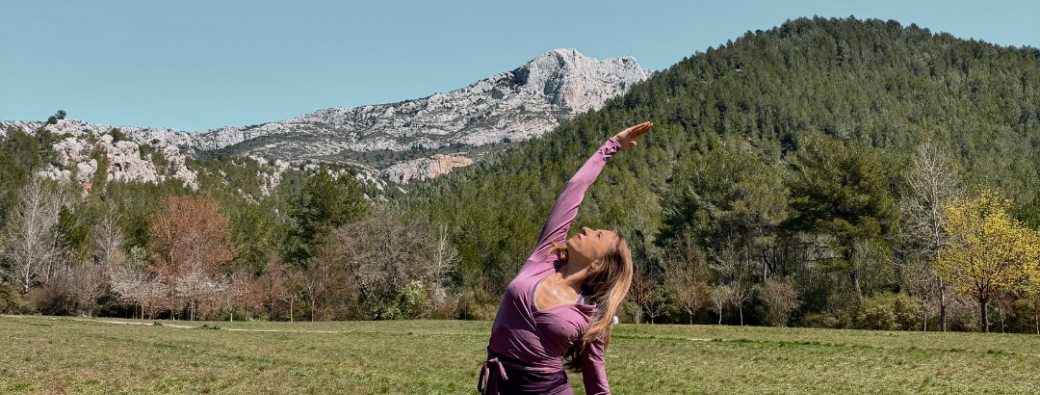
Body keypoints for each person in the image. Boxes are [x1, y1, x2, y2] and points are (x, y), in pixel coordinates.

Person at [478, 121, 652, 395]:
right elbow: (574, 188)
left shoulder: (591, 313)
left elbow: (596, 379)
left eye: (596, 235)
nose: (585, 228)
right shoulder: (543, 258)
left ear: (598, 264)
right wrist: (611, 145)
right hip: (499, 387)